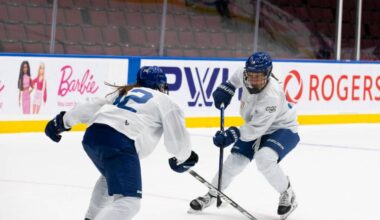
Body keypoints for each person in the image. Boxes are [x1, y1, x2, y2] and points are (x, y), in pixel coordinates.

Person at [45, 66, 199, 220]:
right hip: (120, 141)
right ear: (160, 85)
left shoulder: (125, 92)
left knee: (108, 179)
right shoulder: (165, 101)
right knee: (129, 202)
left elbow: (92, 104)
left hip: (93, 135)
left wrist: (63, 122)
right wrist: (183, 158)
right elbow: (177, 140)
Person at [189, 52, 299, 220]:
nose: (253, 80)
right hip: (255, 123)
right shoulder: (244, 72)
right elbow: (233, 81)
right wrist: (227, 89)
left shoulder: (272, 96)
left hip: (282, 127)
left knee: (264, 159)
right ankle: (212, 194)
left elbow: (256, 129)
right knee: (235, 161)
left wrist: (233, 134)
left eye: (258, 76)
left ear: (268, 74)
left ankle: (288, 193)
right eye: (251, 75)